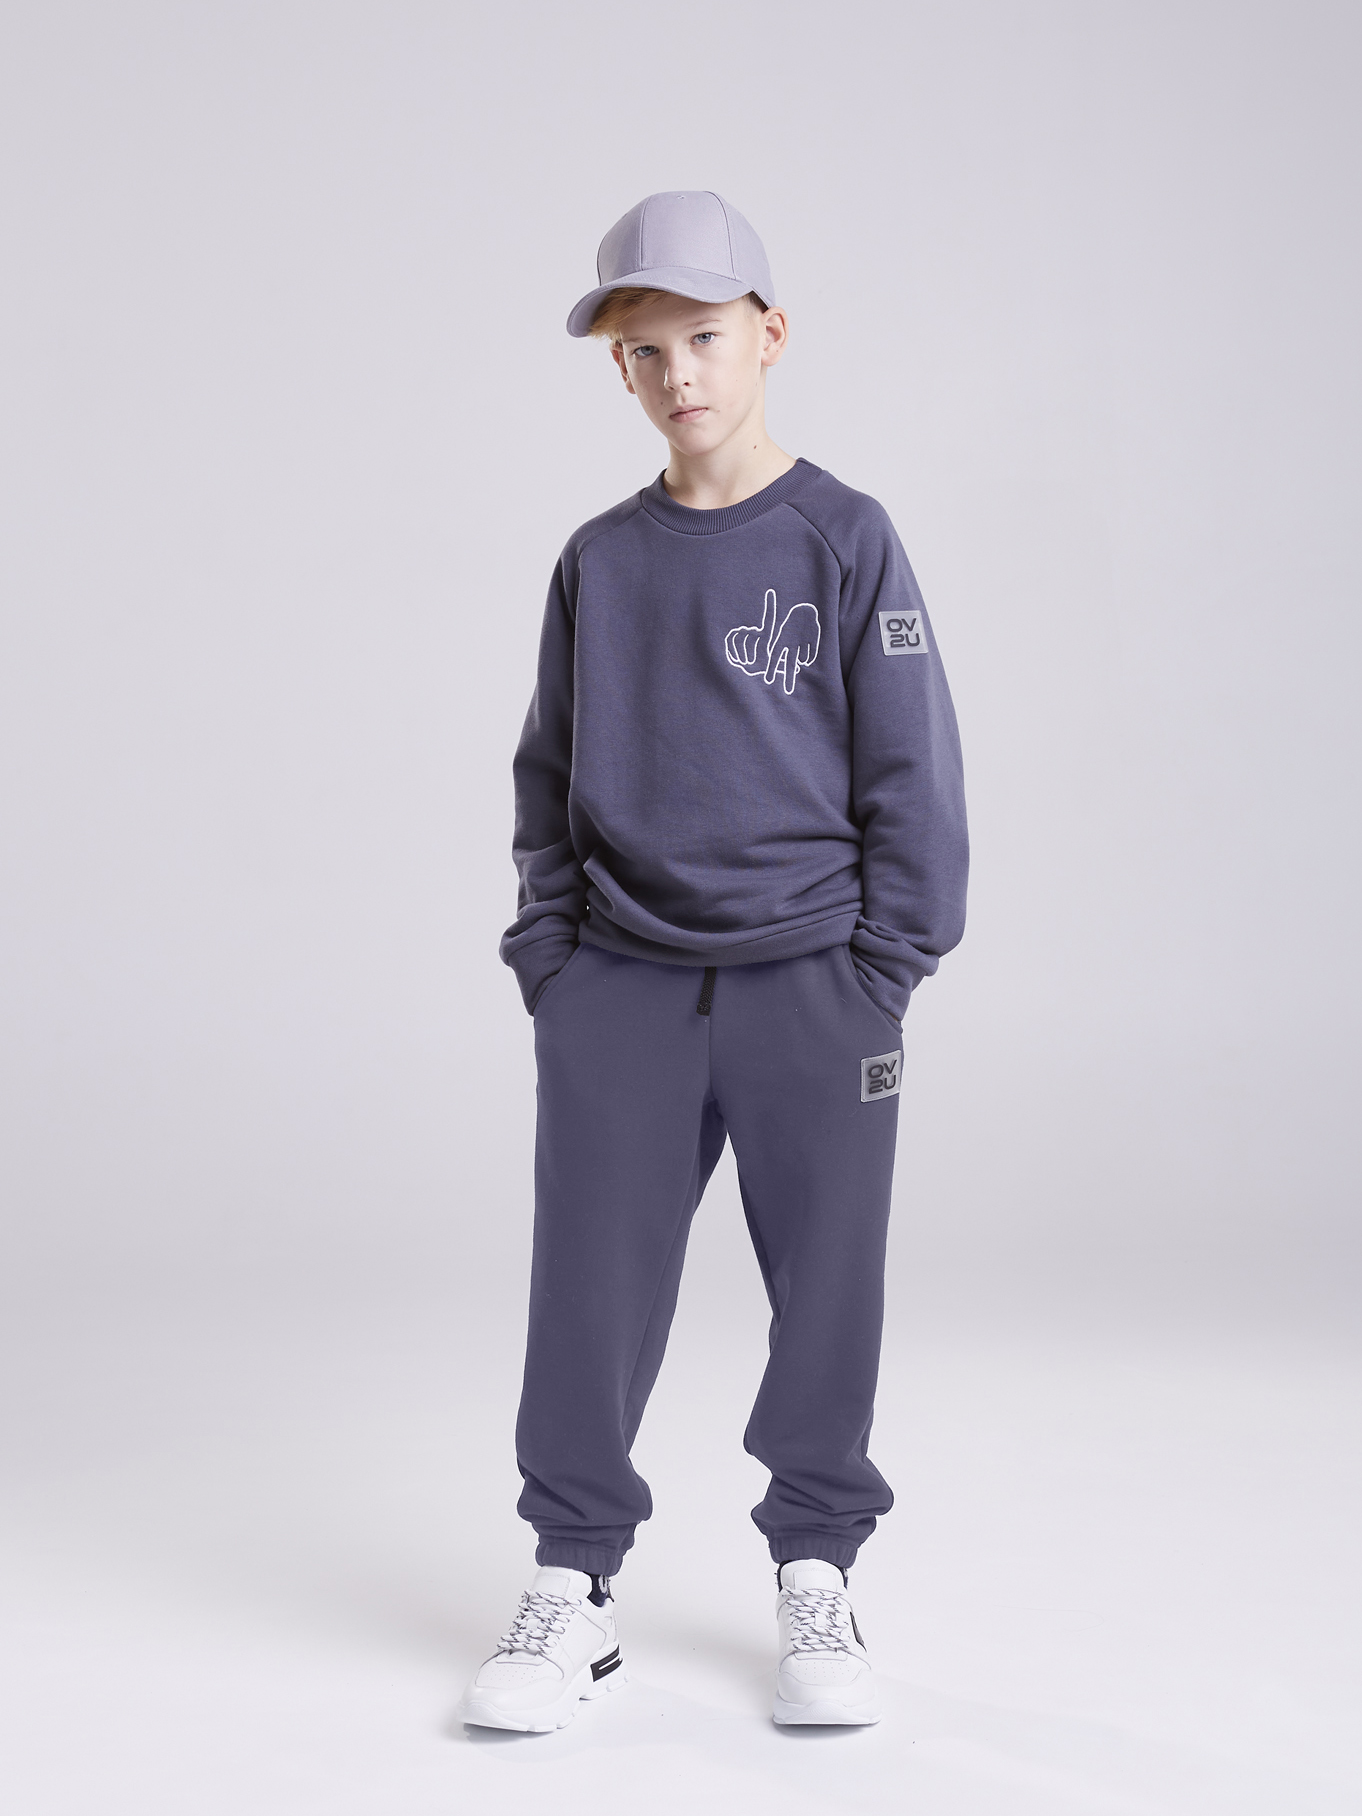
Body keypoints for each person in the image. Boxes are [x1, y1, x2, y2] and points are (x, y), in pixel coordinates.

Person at [458, 191, 968, 1732]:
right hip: (619, 984)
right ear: (617, 368)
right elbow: (546, 775)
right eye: (644, 348)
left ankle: (816, 1567)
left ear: (768, 336)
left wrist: (885, 965)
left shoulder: (843, 537)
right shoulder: (598, 562)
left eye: (702, 336)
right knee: (587, 1286)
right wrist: (551, 957)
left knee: (827, 1285)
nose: (677, 371)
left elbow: (912, 774)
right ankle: (572, 1584)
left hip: (817, 980)